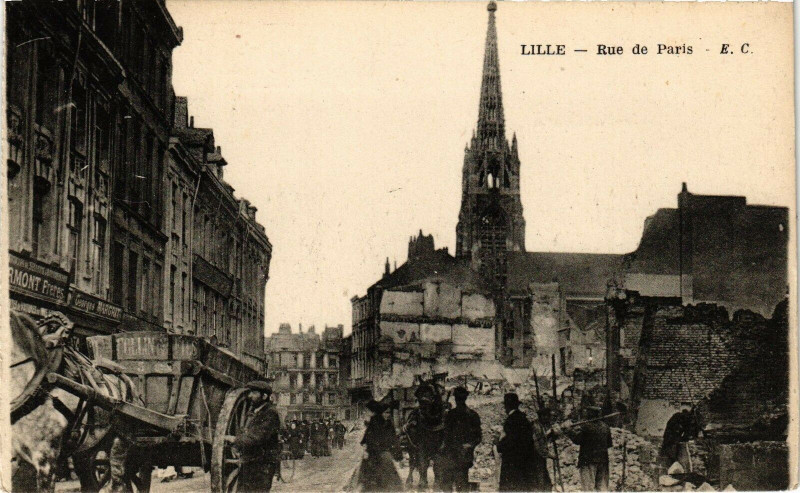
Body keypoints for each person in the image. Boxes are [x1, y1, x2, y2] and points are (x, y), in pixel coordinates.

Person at [232, 381, 282, 493]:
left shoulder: (270, 413)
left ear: (264, 396)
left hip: (262, 466)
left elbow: (257, 438)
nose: (250, 396)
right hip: (250, 463)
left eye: (254, 393)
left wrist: (235, 440)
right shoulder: (256, 412)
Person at [497, 392, 547, 492]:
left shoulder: (510, 420)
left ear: (507, 406)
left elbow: (509, 442)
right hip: (525, 463)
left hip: (512, 464)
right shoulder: (524, 419)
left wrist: (499, 445)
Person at [557, 406, 612, 492]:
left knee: (588, 488)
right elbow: (609, 444)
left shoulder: (586, 427)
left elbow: (577, 440)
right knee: (602, 489)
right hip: (603, 461)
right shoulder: (605, 427)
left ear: (590, 414)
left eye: (587, 412)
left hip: (588, 461)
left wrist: (569, 430)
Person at [438, 386, 482, 492]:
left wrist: (469, 445)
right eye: (458, 398)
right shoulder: (467, 415)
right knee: (455, 485)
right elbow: (478, 437)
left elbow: (478, 437)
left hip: (458, 456)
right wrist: (469, 445)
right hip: (455, 455)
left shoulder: (468, 415)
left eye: (459, 398)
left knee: (455, 485)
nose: (459, 400)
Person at [356, 400, 403, 492]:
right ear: (381, 413)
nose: (388, 415)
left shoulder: (388, 424)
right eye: (386, 413)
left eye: (389, 413)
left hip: (384, 455)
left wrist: (398, 454)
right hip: (373, 455)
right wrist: (367, 449)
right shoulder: (375, 423)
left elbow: (393, 440)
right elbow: (368, 438)